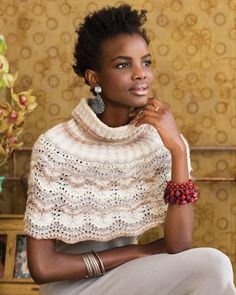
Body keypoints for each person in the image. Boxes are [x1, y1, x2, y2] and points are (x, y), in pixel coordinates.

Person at [24, 4, 236, 295]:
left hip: (131, 277)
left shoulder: (159, 140)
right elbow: (43, 268)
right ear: (93, 78)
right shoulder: (56, 146)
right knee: (212, 264)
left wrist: (176, 149)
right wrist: (137, 253)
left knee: (213, 265)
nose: (141, 74)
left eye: (146, 62)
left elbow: (178, 244)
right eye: (123, 65)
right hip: (73, 288)